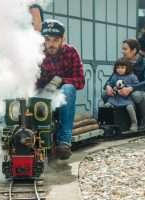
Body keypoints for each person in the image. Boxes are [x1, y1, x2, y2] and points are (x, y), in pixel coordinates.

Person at [36, 19, 85, 160]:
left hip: (63, 95)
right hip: (42, 93)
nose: (51, 44)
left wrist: (61, 81)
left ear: (63, 38)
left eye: (55, 40)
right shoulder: (36, 53)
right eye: (47, 39)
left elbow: (80, 81)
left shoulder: (71, 52)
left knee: (69, 88)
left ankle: (64, 142)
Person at [104, 38, 145, 129]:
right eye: (122, 49)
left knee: (135, 95)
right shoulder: (122, 61)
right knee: (105, 94)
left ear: (134, 50)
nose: (122, 51)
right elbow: (111, 78)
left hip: (142, 92)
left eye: (125, 49)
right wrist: (108, 86)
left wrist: (131, 88)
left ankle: (143, 120)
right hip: (121, 93)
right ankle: (110, 120)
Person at [103, 58, 139, 131]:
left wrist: (129, 88)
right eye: (118, 67)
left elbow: (136, 85)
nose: (120, 69)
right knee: (106, 105)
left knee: (130, 107)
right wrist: (109, 86)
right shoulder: (115, 76)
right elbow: (110, 83)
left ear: (127, 68)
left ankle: (134, 123)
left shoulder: (132, 76)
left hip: (126, 98)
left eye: (122, 68)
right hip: (115, 98)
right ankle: (105, 122)